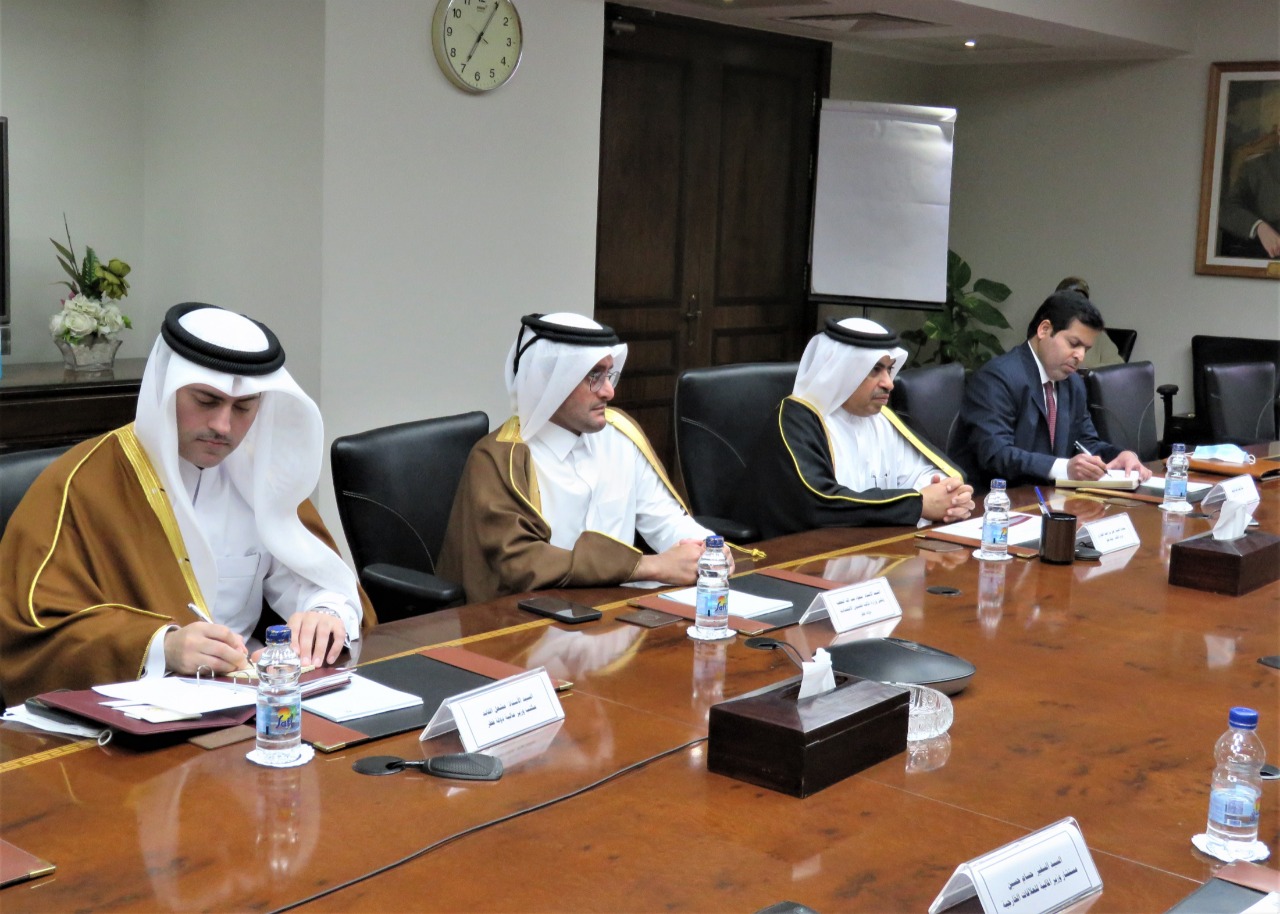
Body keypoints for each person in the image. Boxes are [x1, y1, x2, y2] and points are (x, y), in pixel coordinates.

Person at [0, 303, 373, 704]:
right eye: (206, 401)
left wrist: (326, 614)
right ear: (166, 387)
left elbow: (318, 581)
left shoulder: (262, 479)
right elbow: (32, 631)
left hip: (246, 702)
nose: (223, 426)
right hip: (134, 709)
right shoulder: (81, 484)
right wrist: (162, 646)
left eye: (244, 407)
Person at [438, 312, 716, 603]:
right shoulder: (498, 458)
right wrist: (647, 566)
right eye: (593, 377)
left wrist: (707, 550)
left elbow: (665, 519)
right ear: (550, 381)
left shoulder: (620, 435)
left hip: (617, 614)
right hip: (531, 620)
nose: (609, 391)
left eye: (609, 375)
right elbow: (522, 563)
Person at [747, 317, 975, 539]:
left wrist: (949, 497)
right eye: (874, 370)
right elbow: (819, 504)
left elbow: (921, 473)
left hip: (873, 549)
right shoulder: (798, 419)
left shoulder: (881, 420)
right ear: (840, 371)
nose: (889, 383)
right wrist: (919, 504)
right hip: (801, 555)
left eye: (889, 369)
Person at [953, 290, 1152, 487]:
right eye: (1074, 343)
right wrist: (1064, 468)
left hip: (1051, 498)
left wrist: (1121, 456)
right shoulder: (997, 378)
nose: (1080, 356)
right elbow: (996, 453)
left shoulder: (1073, 383)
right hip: (999, 498)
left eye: (1086, 349)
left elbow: (1086, 444)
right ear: (1044, 330)